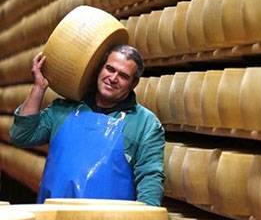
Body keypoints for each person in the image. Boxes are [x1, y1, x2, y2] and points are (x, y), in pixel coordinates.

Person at [10, 44, 165, 206]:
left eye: (123, 76)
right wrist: (39, 88)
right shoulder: (63, 110)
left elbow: (150, 177)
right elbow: (21, 135)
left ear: (133, 84)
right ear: (99, 69)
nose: (113, 78)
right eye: (110, 69)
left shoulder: (145, 123)